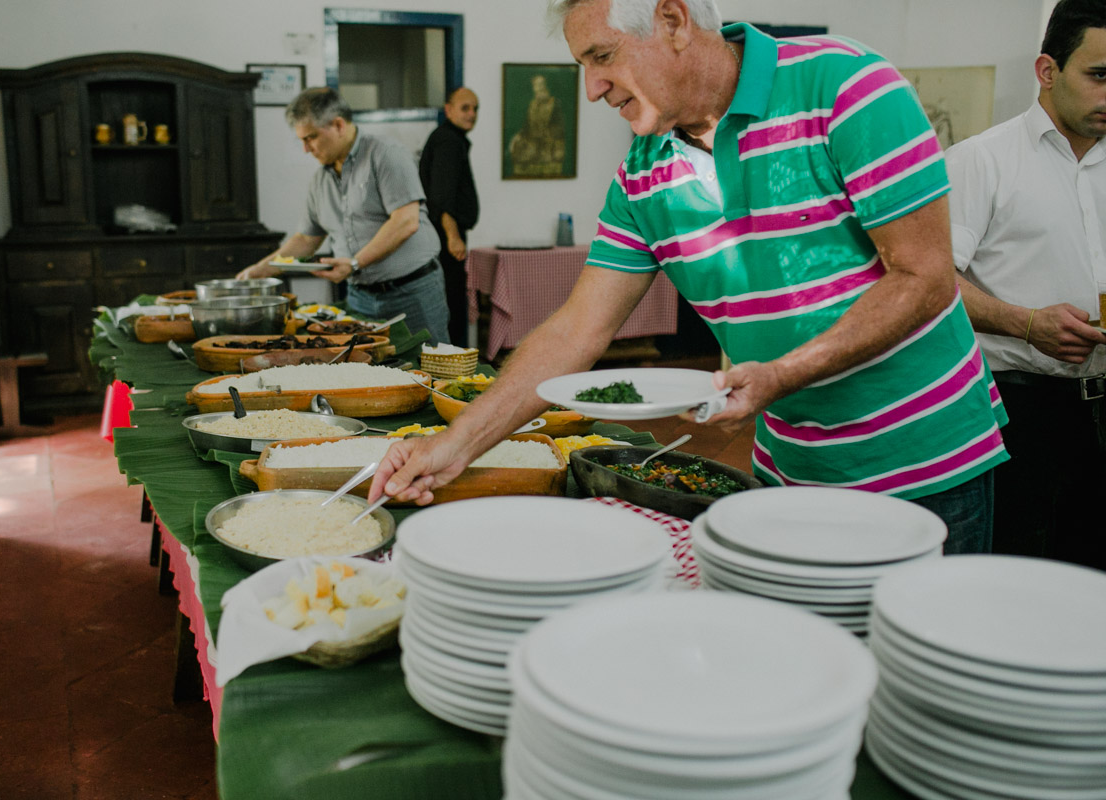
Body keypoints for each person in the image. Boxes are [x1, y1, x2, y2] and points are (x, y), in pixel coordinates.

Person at [370, 0, 1010, 554]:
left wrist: (782, 375)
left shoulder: (845, 85)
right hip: (786, 469)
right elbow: (574, 332)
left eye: (602, 56)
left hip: (924, 468)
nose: (592, 89)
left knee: (916, 689)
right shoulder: (643, 172)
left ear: (672, 20)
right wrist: (452, 448)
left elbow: (923, 279)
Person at [946, 0, 1106, 570]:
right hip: (1021, 409)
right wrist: (1027, 323)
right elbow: (928, 284)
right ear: (1047, 70)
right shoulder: (979, 163)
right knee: (1020, 570)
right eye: (1100, 75)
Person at [238, 87, 449, 344]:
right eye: (302, 140)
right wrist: (262, 269)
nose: (306, 149)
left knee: (432, 364)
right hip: (359, 295)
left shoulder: (386, 154)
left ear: (338, 125)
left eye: (311, 138)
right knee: (368, 370)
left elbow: (406, 221)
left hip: (412, 292)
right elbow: (306, 239)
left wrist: (355, 263)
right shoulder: (320, 179)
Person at [419, 87, 480, 347]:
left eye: (475, 109)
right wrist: (453, 237)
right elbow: (441, 197)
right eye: (465, 108)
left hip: (443, 237)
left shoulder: (450, 138)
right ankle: (452, 372)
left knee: (450, 306)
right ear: (448, 109)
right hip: (445, 240)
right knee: (450, 307)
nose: (472, 114)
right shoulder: (448, 141)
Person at [508, 74, 566, 176]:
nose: (538, 88)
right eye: (536, 85)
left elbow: (559, 129)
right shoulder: (532, 105)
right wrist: (517, 137)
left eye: (541, 85)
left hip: (549, 144)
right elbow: (526, 127)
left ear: (546, 86)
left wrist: (546, 135)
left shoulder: (555, 104)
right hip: (533, 142)